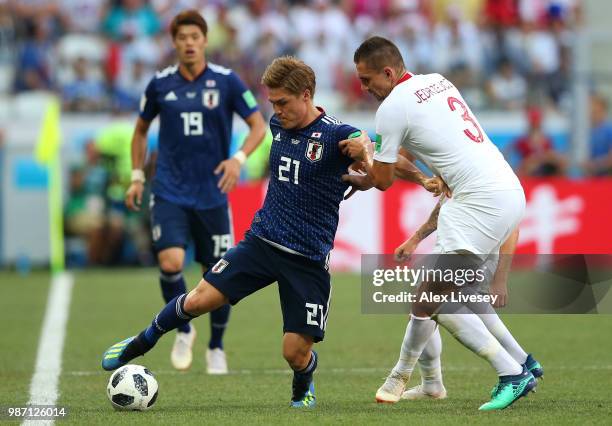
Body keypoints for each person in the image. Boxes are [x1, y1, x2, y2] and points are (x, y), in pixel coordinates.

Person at [103, 55, 447, 407]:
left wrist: (404, 170)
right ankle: (140, 342)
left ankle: (304, 381)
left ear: (306, 95)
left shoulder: (339, 136)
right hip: (261, 242)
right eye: (273, 103)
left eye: (283, 102)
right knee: (197, 300)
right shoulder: (277, 125)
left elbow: (379, 159)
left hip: (307, 260)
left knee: (294, 353)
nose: (277, 110)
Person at [340, 36, 539, 411]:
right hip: (507, 189)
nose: (364, 89)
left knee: (430, 299)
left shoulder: (392, 107)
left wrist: (365, 153)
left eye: (368, 80)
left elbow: (383, 178)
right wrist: (373, 170)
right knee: (451, 294)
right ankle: (518, 362)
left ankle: (510, 372)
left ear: (388, 71)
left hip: (477, 202)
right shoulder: (437, 81)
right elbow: (404, 153)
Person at [124, 10, 266, 374]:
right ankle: (183, 328)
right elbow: (140, 131)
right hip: (170, 189)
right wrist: (138, 175)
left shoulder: (227, 82)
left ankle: (216, 346)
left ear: (205, 41)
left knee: (216, 274)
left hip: (213, 192)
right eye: (182, 37)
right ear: (174, 42)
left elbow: (257, 126)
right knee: (170, 262)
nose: (189, 43)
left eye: (195, 36)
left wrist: (237, 159)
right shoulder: (159, 84)